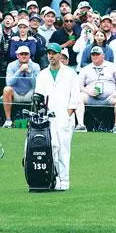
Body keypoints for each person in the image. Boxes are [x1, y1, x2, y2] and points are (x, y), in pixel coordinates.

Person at [34, 43, 80, 191]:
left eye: (54, 53)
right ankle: (51, 179)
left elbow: (75, 97)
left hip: (64, 116)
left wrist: (68, 115)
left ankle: (64, 181)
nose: (51, 56)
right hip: (47, 117)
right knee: (50, 149)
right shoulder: (42, 75)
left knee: (63, 150)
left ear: (60, 55)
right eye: (49, 53)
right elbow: (38, 97)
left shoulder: (70, 73)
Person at [2, 46, 41, 127]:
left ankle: (34, 120)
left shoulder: (35, 66)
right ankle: (8, 120)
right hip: (16, 92)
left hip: (30, 93)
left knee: (39, 91)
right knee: (6, 89)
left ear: (29, 55)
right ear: (17, 55)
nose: (24, 56)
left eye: (26, 54)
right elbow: (8, 83)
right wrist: (19, 71)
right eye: (21, 54)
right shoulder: (11, 65)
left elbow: (36, 85)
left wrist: (29, 72)